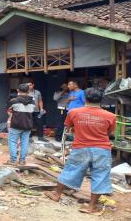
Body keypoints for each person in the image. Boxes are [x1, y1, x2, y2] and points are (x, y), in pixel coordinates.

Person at [44, 88, 116, 216]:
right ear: (101, 99)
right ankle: (91, 207)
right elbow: (109, 133)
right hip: (102, 149)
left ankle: (56, 194)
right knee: (100, 176)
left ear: (85, 98)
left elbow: (68, 128)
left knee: (70, 170)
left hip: (81, 147)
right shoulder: (111, 116)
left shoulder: (73, 112)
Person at [7, 84, 35, 165]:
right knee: (25, 142)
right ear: (28, 91)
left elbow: (9, 111)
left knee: (12, 141)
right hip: (28, 125)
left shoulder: (14, 101)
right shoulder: (32, 102)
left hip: (16, 124)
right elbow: (31, 111)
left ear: (17, 90)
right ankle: (22, 160)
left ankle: (13, 160)